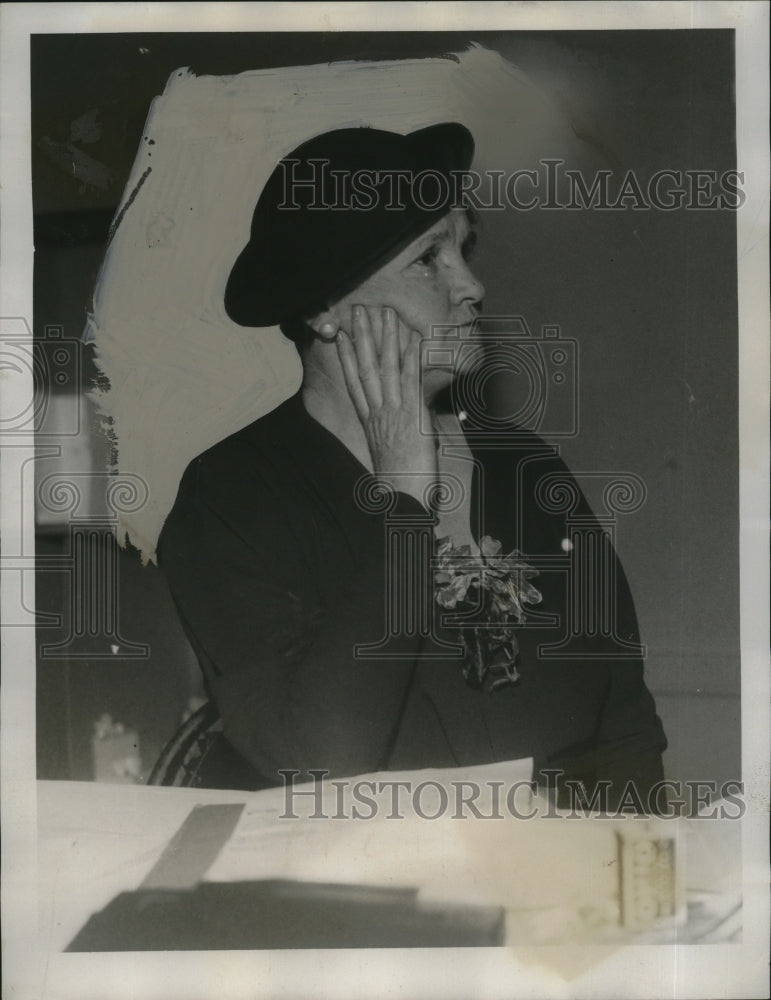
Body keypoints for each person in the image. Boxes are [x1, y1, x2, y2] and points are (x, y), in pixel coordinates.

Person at [157, 122, 667, 805]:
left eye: (464, 246)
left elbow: (624, 720)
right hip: (371, 898)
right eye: (428, 259)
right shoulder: (232, 495)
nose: (473, 286)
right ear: (324, 307)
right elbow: (316, 759)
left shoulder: (525, 467)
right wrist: (402, 494)